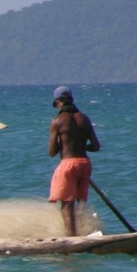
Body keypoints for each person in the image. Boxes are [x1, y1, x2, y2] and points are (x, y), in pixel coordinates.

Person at [48, 85, 101, 236]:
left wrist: (64, 143)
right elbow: (96, 146)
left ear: (58, 102)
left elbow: (52, 152)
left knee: (67, 207)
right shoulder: (84, 118)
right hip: (84, 164)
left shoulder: (57, 121)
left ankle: (72, 239)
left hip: (68, 165)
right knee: (81, 203)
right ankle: (85, 233)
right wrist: (81, 146)